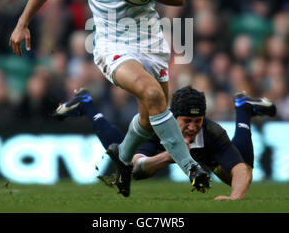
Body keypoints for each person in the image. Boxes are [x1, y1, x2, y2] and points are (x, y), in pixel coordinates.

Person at [9, 0, 203, 197]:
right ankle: (191, 167)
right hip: (111, 45)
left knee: (149, 119)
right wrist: (22, 23)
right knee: (152, 94)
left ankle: (122, 159)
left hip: (151, 42)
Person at [54, 85, 276, 200]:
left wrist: (234, 199)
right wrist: (170, 155)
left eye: (197, 121)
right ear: (173, 117)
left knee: (242, 172)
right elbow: (137, 167)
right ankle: (86, 104)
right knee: (123, 158)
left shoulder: (211, 131)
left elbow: (241, 170)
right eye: (186, 121)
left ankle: (243, 108)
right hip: (158, 152)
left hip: (205, 154)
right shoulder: (154, 128)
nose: (192, 127)